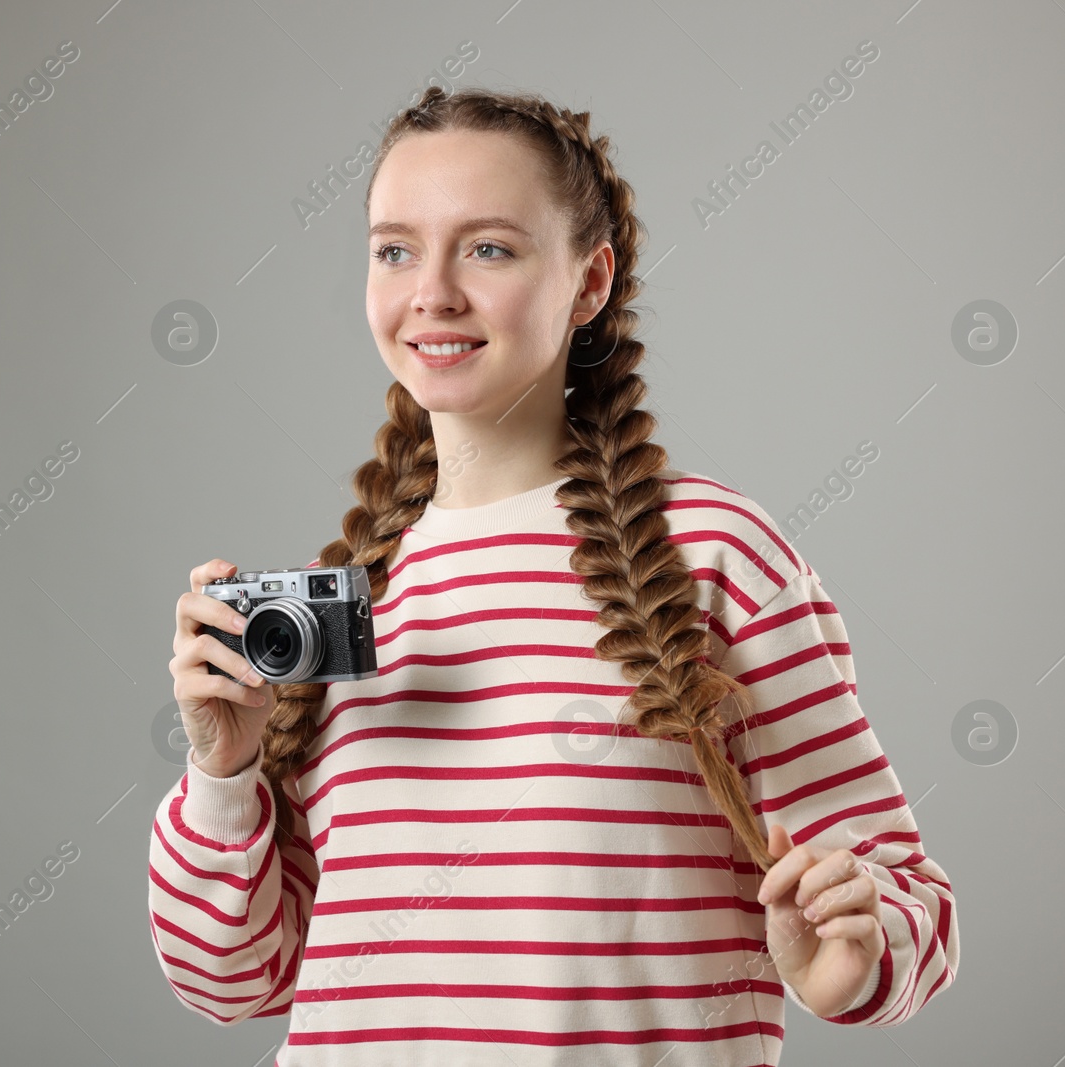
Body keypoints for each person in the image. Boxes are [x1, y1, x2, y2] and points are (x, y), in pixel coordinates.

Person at [147, 85, 959, 1066]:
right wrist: (222, 773)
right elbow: (232, 979)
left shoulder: (711, 554)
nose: (431, 293)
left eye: (487, 247)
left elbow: (903, 888)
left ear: (589, 280)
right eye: (394, 248)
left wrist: (847, 961)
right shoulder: (342, 607)